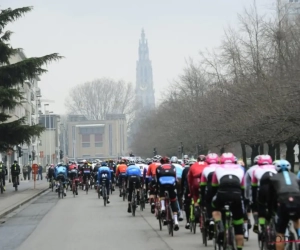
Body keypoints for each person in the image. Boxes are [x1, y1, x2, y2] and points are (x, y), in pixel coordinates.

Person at [211, 152, 245, 250]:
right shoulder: (240, 169)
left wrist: (211, 199)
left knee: (215, 207)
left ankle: (219, 224)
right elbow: (243, 188)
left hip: (222, 194)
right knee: (238, 225)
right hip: (237, 196)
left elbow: (214, 187)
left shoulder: (217, 169)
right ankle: (239, 247)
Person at [268, 160, 300, 250]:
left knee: (280, 233)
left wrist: (271, 210)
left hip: (283, 201)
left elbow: (271, 197)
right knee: (297, 219)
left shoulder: (273, 178)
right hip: (297, 199)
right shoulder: (295, 177)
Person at [251, 154, 276, 235]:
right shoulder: (275, 168)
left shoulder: (256, 170)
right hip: (275, 188)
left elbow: (254, 187)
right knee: (274, 206)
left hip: (263, 189)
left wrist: (255, 201)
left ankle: (262, 227)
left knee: (261, 206)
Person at [156, 156, 179, 231]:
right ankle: (176, 221)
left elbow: (157, 178)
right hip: (171, 181)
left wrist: (157, 187)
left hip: (162, 181)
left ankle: (163, 207)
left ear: (161, 162)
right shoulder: (173, 166)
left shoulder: (159, 167)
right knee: (173, 199)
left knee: (161, 193)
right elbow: (175, 177)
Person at [200, 153, 219, 239]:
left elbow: (203, 185)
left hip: (210, 188)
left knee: (208, 202)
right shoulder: (221, 168)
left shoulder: (205, 169)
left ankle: (210, 218)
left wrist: (203, 198)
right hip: (221, 188)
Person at [187, 154, 208, 221]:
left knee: (195, 196)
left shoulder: (193, 165)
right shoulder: (208, 165)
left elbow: (189, 179)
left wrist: (191, 192)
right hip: (205, 182)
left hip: (196, 182)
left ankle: (196, 207)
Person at [244, 155, 260, 233]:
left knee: (255, 208)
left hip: (254, 191)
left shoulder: (250, 170)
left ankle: (256, 224)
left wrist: (246, 197)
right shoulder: (272, 168)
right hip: (270, 192)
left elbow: (246, 185)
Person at [181, 158, 196, 229]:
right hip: (197, 188)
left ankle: (187, 221)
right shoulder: (199, 169)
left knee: (187, 204)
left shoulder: (185, 170)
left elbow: (182, 181)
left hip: (188, 189)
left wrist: (181, 190)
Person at [171, 156, 184, 221]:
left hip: (172, 180)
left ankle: (174, 211)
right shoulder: (180, 166)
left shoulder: (170, 165)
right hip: (180, 180)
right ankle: (181, 212)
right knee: (179, 196)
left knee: (172, 197)